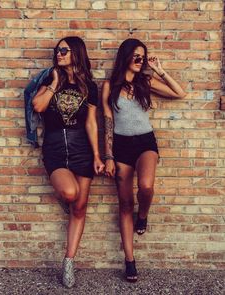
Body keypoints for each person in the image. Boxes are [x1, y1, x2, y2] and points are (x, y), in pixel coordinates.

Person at [102, 38, 186, 283]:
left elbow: (179, 93)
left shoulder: (145, 82)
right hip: (121, 146)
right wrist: (108, 155)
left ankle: (144, 215)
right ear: (126, 57)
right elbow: (107, 120)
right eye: (136, 56)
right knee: (125, 203)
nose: (140, 61)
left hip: (145, 142)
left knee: (147, 186)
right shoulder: (109, 86)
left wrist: (160, 71)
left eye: (143, 57)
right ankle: (129, 261)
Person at [32, 36, 104, 288]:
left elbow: (91, 123)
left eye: (64, 50)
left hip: (81, 147)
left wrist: (97, 155)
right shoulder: (48, 78)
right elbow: (38, 106)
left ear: (76, 53)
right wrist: (53, 82)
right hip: (54, 146)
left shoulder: (89, 87)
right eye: (57, 50)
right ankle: (68, 200)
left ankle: (69, 261)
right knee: (71, 192)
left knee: (80, 208)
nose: (59, 54)